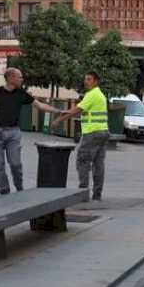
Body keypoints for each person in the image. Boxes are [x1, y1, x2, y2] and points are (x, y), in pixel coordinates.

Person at [0, 67, 60, 195]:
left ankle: (19, 188)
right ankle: (4, 190)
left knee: (15, 163)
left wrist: (58, 111)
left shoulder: (21, 94)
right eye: (19, 77)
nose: (22, 79)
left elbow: (40, 105)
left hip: (13, 133)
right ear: (10, 78)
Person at [52, 72, 109, 201]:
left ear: (96, 81)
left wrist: (59, 120)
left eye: (89, 79)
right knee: (98, 164)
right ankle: (97, 195)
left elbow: (77, 109)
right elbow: (80, 110)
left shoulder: (92, 94)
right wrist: (64, 115)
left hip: (92, 133)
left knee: (82, 161)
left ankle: (82, 193)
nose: (86, 82)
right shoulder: (100, 94)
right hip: (103, 132)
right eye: (85, 79)